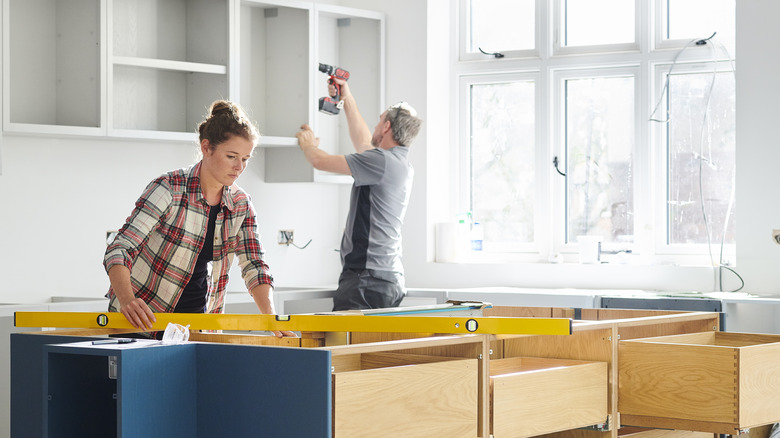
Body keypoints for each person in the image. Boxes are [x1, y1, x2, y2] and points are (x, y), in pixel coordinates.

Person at [104, 100, 295, 337]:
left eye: (245, 159)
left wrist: (271, 320)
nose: (239, 167)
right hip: (140, 324)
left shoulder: (240, 204)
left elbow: (254, 266)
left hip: (196, 329)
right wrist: (127, 301)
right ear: (206, 147)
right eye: (232, 156)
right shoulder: (169, 188)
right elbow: (120, 249)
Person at [296, 78, 422, 310]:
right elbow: (363, 141)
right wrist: (347, 97)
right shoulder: (397, 163)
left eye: (379, 122)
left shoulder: (380, 161)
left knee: (344, 345)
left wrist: (308, 144)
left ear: (386, 128)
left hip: (366, 280)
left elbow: (319, 161)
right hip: (385, 279)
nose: (375, 127)